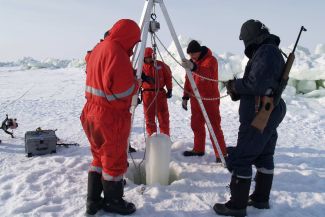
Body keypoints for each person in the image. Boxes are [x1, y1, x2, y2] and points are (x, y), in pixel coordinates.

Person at [213, 20, 287, 217]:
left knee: (242, 157)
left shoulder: (266, 52)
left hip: (259, 114)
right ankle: (260, 199)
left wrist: (235, 86)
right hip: (266, 111)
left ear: (251, 38)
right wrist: (238, 89)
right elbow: (262, 83)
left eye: (245, 39)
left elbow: (256, 83)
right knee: (264, 155)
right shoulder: (270, 51)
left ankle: (236, 206)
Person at [80, 19, 141, 216]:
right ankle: (113, 201)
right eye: (134, 42)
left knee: (98, 157)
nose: (134, 47)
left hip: (90, 112)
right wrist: (136, 84)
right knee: (113, 159)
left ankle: (93, 201)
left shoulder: (98, 48)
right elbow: (123, 92)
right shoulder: (118, 54)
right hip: (109, 117)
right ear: (129, 38)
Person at [181, 40, 227, 162]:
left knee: (214, 126)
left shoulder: (211, 60)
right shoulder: (192, 62)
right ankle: (198, 149)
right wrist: (185, 97)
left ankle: (221, 154)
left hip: (209, 99)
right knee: (196, 125)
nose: (191, 57)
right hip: (195, 100)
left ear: (199, 51)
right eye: (189, 54)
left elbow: (207, 73)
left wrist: (194, 67)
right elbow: (188, 80)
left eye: (193, 54)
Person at [141, 47, 173, 136]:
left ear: (153, 56)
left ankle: (165, 138)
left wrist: (169, 89)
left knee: (163, 118)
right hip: (147, 95)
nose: (148, 59)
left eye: (150, 57)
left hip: (160, 94)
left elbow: (168, 77)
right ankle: (152, 139)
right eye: (146, 58)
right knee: (149, 118)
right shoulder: (141, 68)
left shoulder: (161, 65)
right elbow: (136, 80)